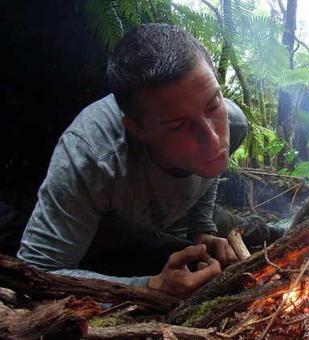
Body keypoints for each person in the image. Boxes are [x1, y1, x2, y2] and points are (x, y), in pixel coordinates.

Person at [16, 24, 249, 297]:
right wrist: (150, 287)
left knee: (253, 233)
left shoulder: (233, 124)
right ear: (138, 129)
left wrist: (201, 229)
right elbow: (37, 271)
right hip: (93, 247)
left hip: (154, 225)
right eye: (178, 126)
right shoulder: (92, 158)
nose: (212, 139)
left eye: (212, 106)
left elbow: (211, 167)